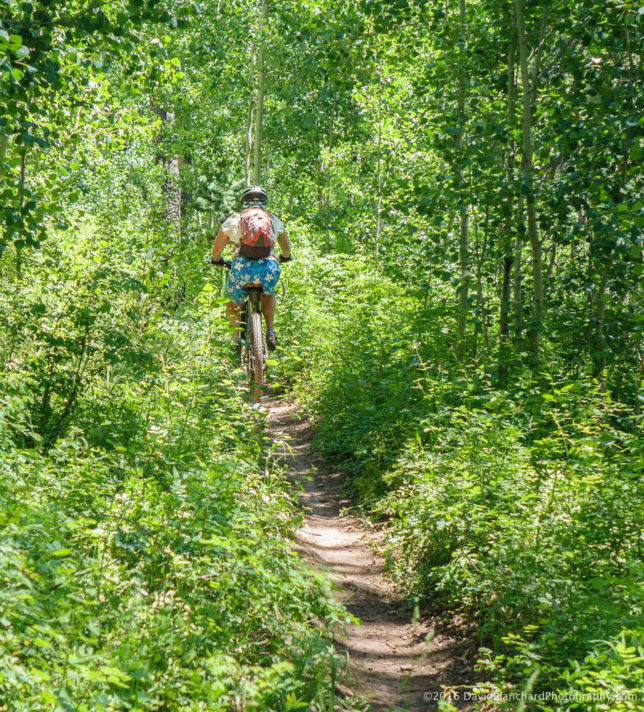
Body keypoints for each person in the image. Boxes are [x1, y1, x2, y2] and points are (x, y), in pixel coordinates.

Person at [210, 186, 292, 351]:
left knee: (233, 303)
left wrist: (217, 259)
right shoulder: (273, 219)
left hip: (241, 270)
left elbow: (217, 249)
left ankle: (235, 340)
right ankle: (270, 331)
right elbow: (286, 248)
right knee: (268, 293)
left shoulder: (234, 219)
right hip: (268, 269)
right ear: (264, 202)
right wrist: (285, 257)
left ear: (244, 201)